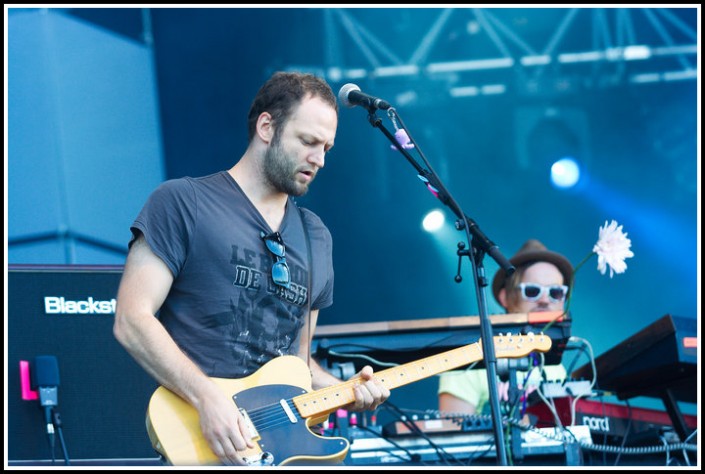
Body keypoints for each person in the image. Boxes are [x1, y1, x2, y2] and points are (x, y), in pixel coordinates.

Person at [113, 71, 390, 466]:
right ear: (266, 126)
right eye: (308, 141)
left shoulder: (316, 237)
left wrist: (347, 389)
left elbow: (299, 362)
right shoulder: (182, 202)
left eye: (327, 147)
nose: (320, 159)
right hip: (204, 441)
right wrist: (207, 398)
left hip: (277, 451)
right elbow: (131, 319)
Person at [437, 239, 571, 416]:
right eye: (532, 291)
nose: (545, 300)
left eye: (556, 293)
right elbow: (453, 433)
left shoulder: (555, 366)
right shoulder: (470, 352)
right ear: (505, 297)